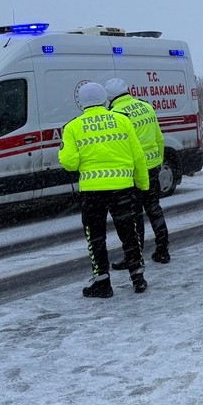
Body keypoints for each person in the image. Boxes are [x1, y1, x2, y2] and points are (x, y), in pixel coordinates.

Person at [58, 81, 149, 297]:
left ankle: (103, 283)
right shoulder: (122, 121)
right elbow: (138, 157)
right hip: (123, 188)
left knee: (96, 237)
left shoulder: (73, 127)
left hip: (93, 192)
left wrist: (63, 153)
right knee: (129, 233)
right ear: (104, 99)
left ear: (81, 103)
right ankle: (138, 277)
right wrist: (143, 186)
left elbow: (70, 163)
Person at [104, 77, 171, 264]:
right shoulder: (146, 107)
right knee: (154, 209)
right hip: (151, 168)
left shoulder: (116, 115)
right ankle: (163, 250)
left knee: (134, 216)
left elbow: (118, 148)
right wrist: (156, 162)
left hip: (132, 172)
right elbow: (159, 139)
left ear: (109, 97)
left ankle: (134, 256)